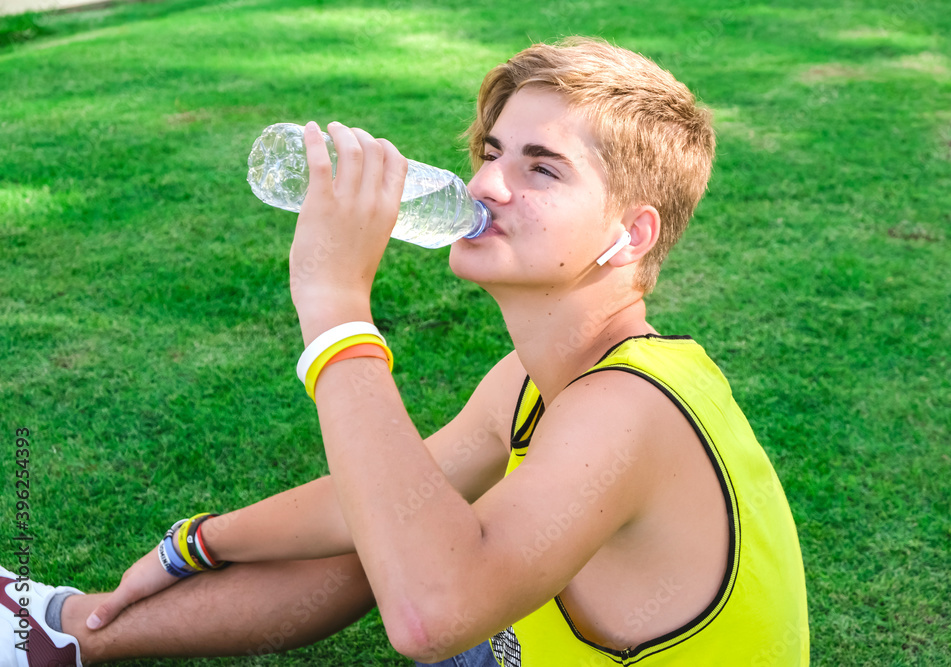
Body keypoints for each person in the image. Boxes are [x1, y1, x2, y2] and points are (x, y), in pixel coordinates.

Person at [1, 37, 809, 666]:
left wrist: (336, 308)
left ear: (630, 235)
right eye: (491, 153)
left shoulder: (628, 406)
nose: (487, 186)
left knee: (420, 556)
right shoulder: (535, 378)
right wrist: (195, 543)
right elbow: (367, 508)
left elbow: (431, 615)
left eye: (541, 169)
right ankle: (69, 631)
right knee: (397, 529)